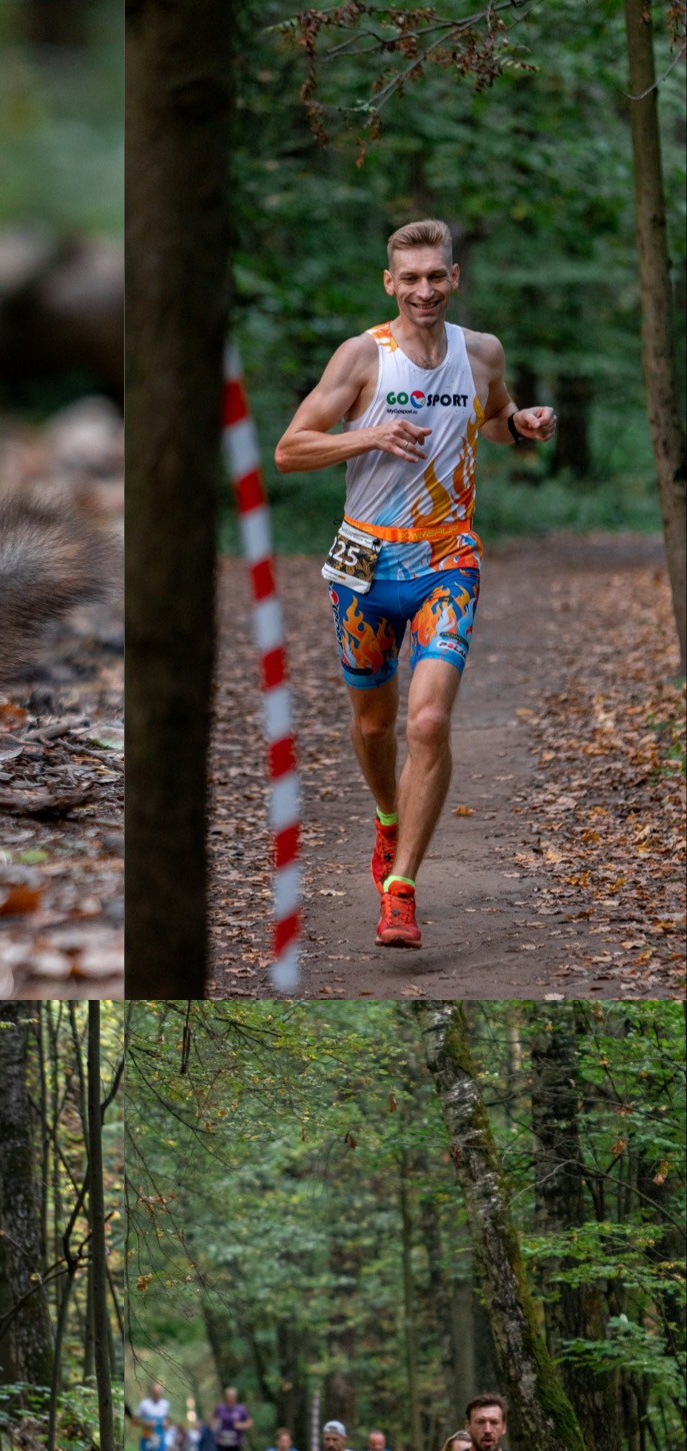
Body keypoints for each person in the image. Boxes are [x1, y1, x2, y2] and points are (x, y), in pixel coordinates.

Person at [274, 217, 557, 950]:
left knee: (426, 724)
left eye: (437, 276)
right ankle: (387, 817)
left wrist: (520, 423)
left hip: (445, 560)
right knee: (373, 725)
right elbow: (289, 449)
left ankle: (399, 891)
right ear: (389, 283)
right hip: (365, 565)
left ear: (453, 278)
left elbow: (490, 422)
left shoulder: (481, 352)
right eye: (411, 278)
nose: (424, 290)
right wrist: (366, 433)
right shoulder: (362, 357)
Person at [136, 1380, 171, 1451]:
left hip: (160, 1437)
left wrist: (166, 1423)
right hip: (147, 1437)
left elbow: (168, 1420)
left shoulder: (165, 1405)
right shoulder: (144, 1405)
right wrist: (145, 1423)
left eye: (159, 1393)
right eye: (155, 1392)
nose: (157, 1395)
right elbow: (135, 1421)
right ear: (151, 1392)